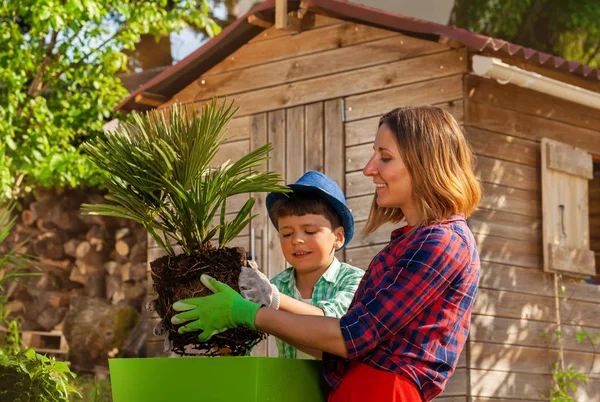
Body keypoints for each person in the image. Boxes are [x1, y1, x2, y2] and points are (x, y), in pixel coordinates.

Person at [170, 106, 481, 402]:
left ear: (425, 162)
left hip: (381, 390)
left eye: (385, 157)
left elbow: (353, 335)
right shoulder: (412, 241)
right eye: (287, 232)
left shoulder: (442, 242)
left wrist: (249, 312)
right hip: (359, 386)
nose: (369, 168)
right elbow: (346, 346)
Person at [239, 170, 365, 359]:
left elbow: (331, 325)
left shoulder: (356, 281)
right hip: (290, 386)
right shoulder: (278, 284)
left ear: (338, 238)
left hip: (339, 387)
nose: (297, 240)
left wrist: (274, 299)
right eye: (287, 234)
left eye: (310, 231)